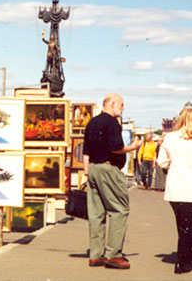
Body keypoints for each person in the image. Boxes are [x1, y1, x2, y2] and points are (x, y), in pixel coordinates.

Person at [83, 93, 141, 269]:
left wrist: (87, 172)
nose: (123, 108)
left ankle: (96, 254)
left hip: (92, 168)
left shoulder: (92, 122)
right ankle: (113, 254)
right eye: (121, 105)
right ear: (112, 104)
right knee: (119, 209)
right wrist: (133, 147)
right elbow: (116, 148)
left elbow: (85, 152)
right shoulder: (112, 123)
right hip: (108, 169)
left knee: (96, 213)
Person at [156, 102, 192, 275]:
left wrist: (174, 166)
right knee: (191, 227)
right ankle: (186, 261)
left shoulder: (170, 138)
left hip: (175, 189)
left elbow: (161, 162)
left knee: (182, 225)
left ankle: (188, 259)